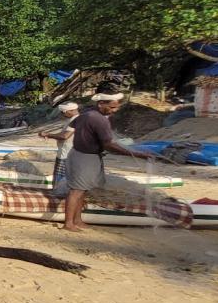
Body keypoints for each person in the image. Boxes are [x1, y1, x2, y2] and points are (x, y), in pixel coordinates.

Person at [63, 92, 155, 231]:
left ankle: (77, 220)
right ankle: (68, 223)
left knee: (83, 190)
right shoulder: (99, 119)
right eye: (111, 107)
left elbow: (75, 125)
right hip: (85, 157)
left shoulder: (86, 114)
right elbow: (108, 144)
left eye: (116, 107)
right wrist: (136, 154)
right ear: (101, 104)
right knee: (76, 191)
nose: (114, 110)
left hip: (82, 154)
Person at [39, 101, 80, 197]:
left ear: (69, 111)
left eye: (63, 112)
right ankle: (58, 193)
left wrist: (48, 135)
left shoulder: (75, 120)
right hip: (65, 152)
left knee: (62, 178)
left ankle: (60, 196)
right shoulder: (72, 119)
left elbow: (65, 136)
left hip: (67, 154)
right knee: (59, 177)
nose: (62, 114)